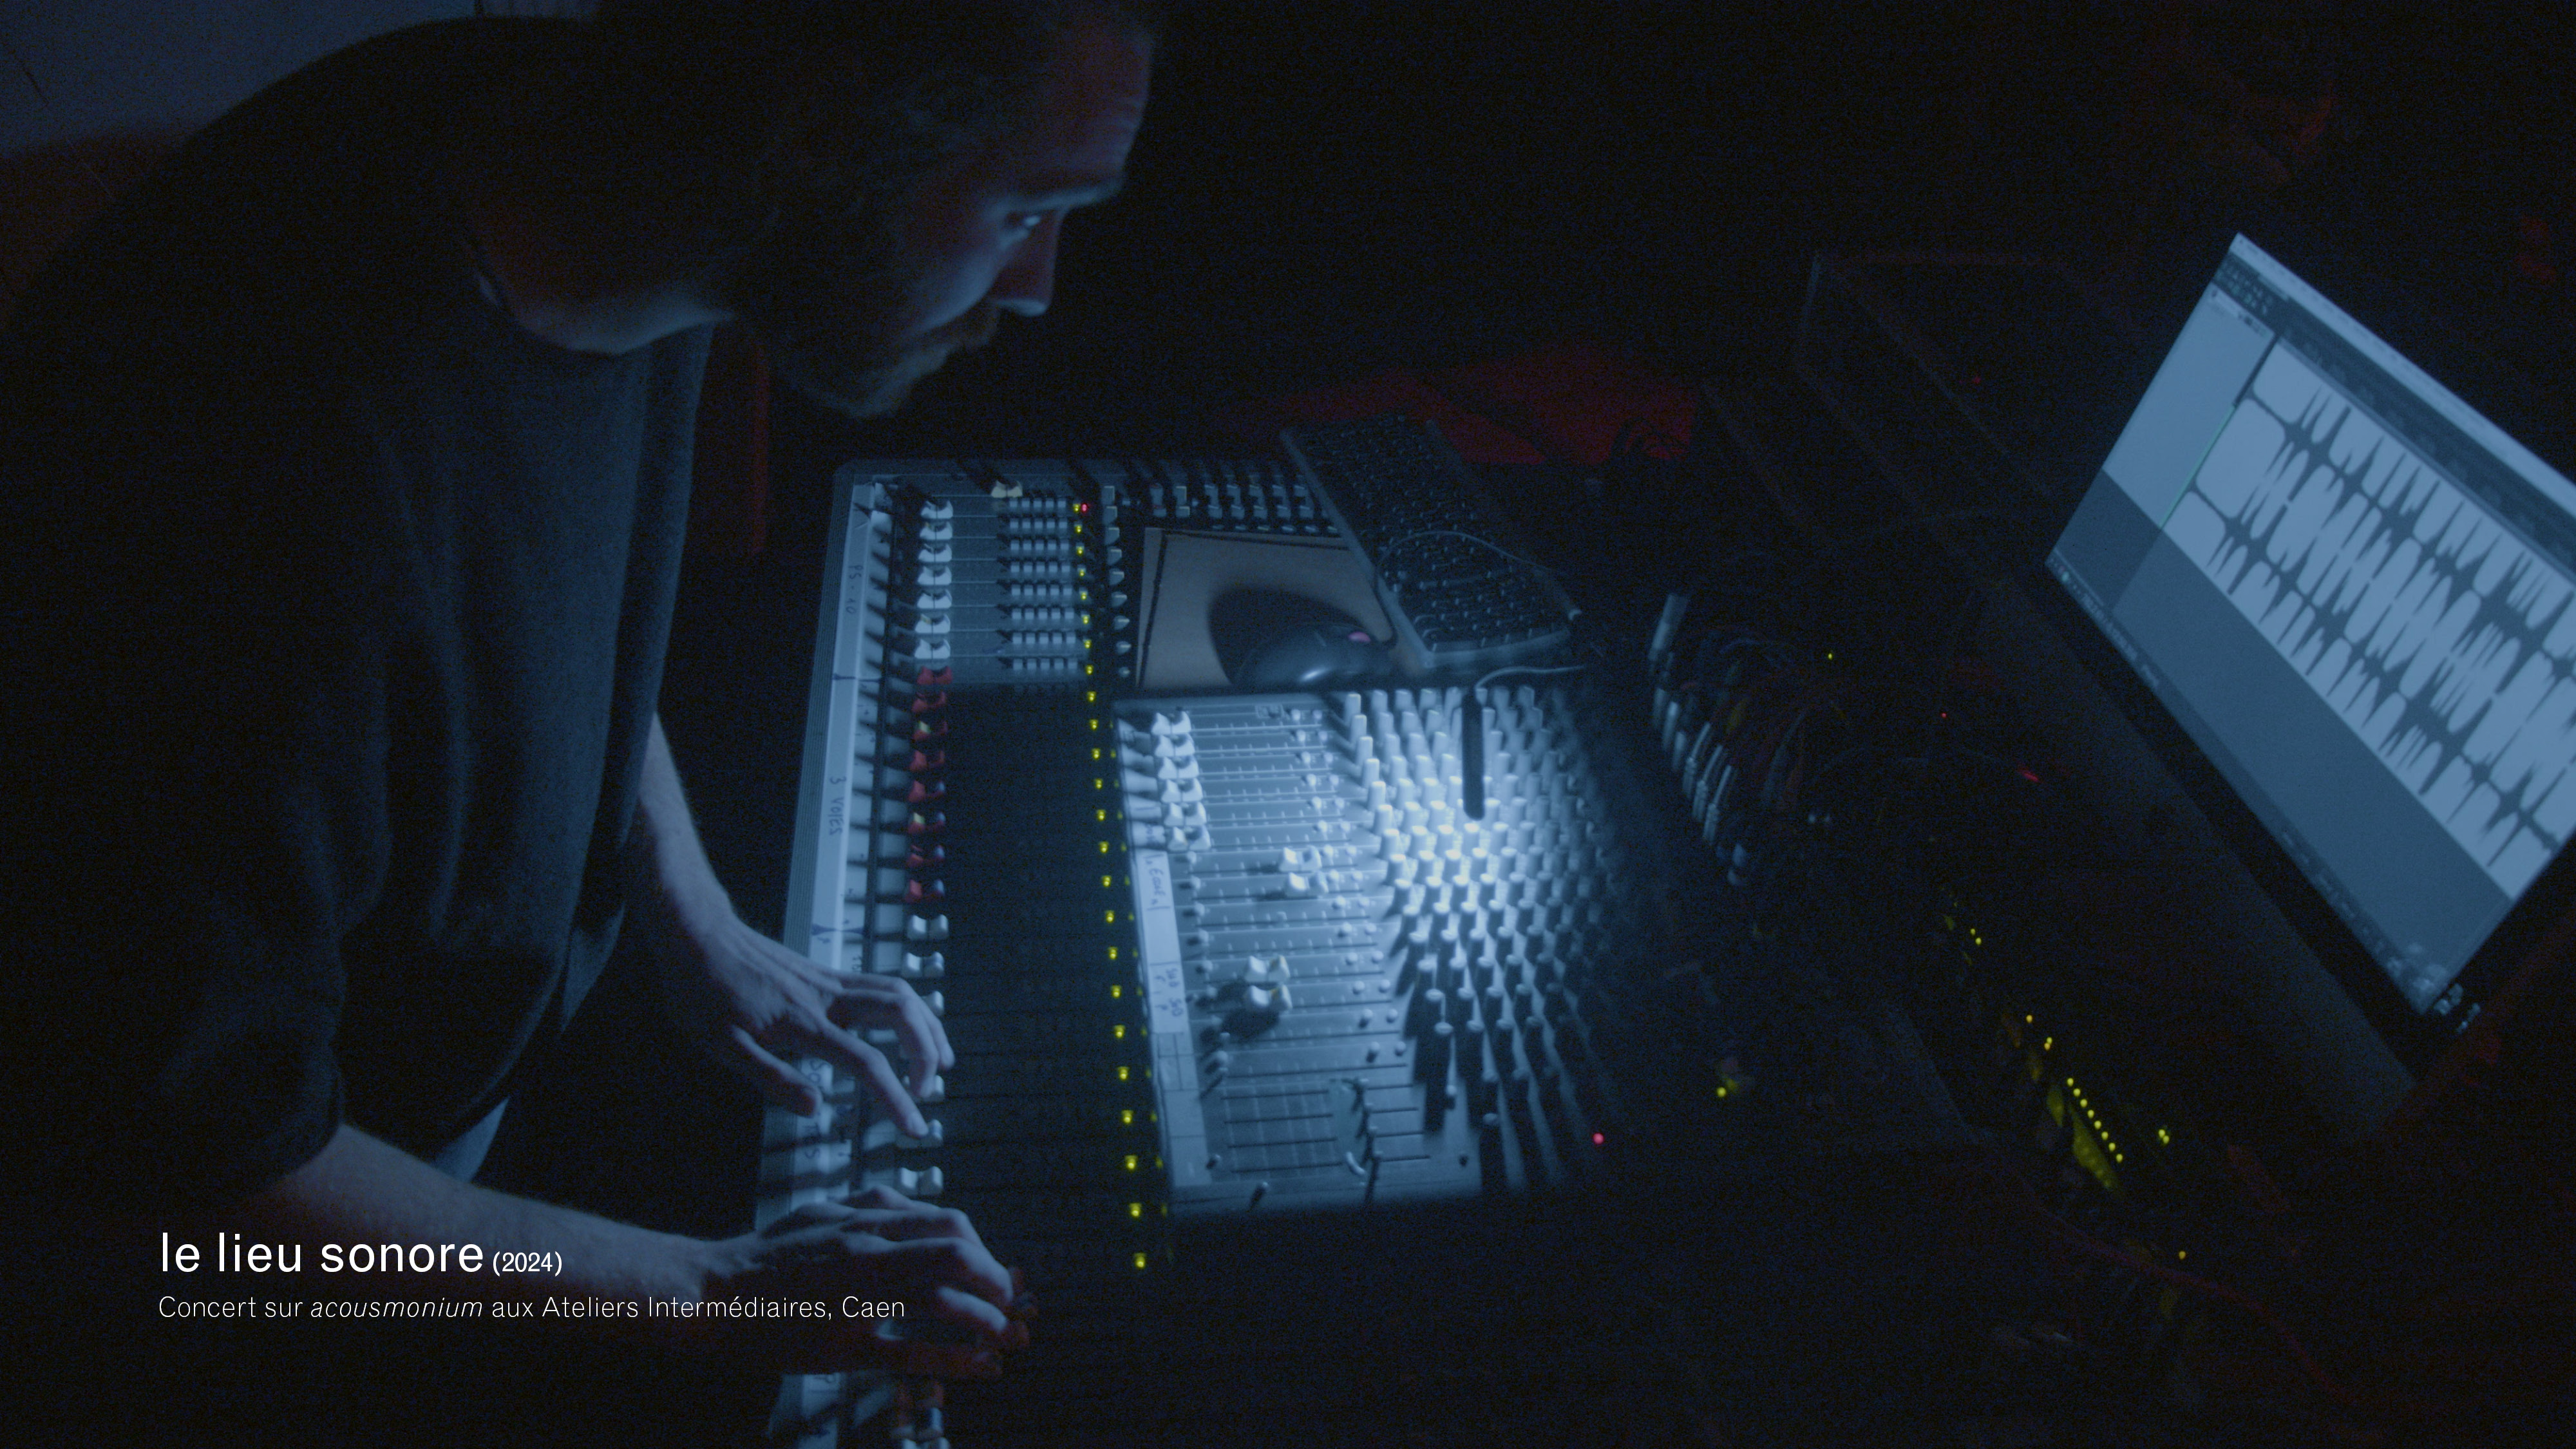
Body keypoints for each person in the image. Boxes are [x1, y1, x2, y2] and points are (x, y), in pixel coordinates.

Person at [0, 0, 1152, 1383]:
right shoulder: (259, 466)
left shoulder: (619, 178)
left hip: (440, 1106)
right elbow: (178, 1207)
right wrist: (725, 1290)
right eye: (1027, 206)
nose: (1037, 285)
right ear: (830, 131)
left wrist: (691, 908)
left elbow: (534, 582)